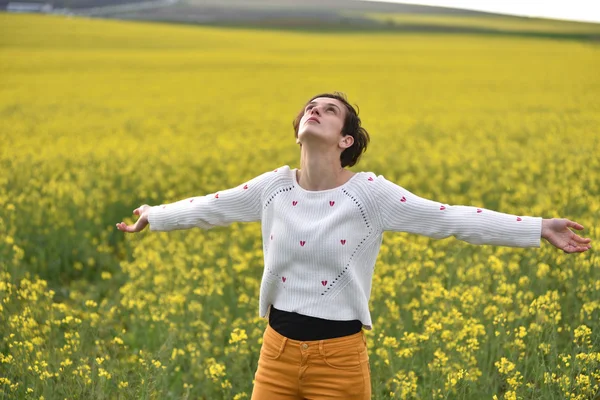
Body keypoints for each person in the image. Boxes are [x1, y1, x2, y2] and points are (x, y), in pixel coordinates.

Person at [116, 92, 592, 400]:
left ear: (345, 139)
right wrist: (153, 217)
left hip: (339, 362)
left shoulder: (370, 194)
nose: (314, 110)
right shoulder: (274, 187)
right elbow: (211, 206)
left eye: (328, 109)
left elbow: (450, 219)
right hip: (275, 355)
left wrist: (536, 228)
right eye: (309, 106)